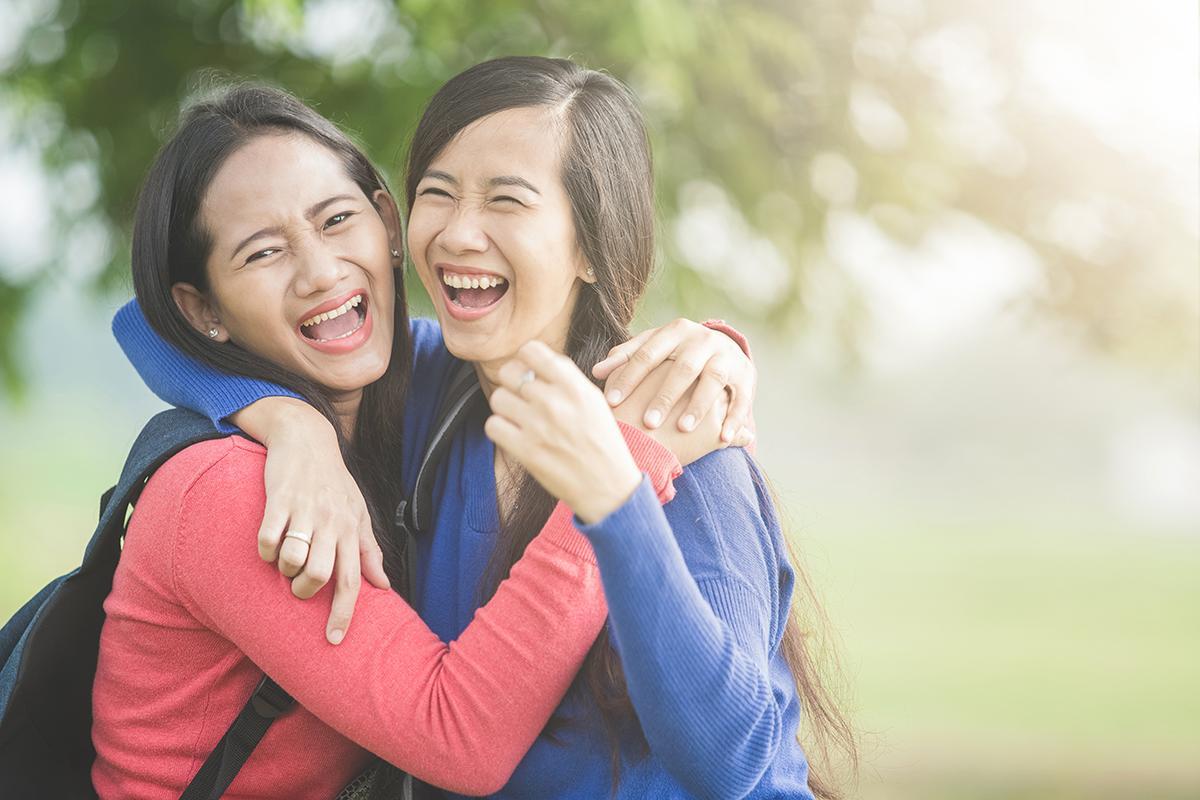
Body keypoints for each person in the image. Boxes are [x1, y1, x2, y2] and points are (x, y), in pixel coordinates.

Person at [114, 58, 857, 798]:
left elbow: (731, 764)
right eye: (439, 193)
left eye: (508, 201)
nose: (462, 233)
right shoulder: (432, 397)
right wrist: (290, 423)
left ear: (594, 248)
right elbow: (148, 324)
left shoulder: (679, 440)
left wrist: (621, 490)